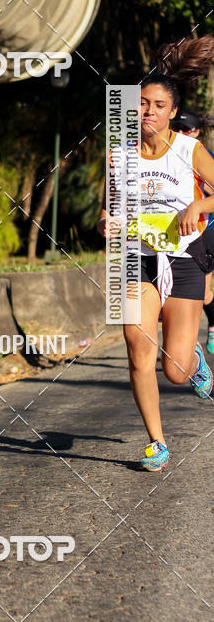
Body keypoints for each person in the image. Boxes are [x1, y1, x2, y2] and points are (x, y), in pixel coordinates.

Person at [98, 37, 214, 472]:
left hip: (183, 259)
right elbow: (109, 208)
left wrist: (197, 206)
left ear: (171, 112)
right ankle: (156, 441)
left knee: (175, 372)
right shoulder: (118, 154)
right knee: (136, 347)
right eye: (142, 103)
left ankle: (195, 359)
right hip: (133, 257)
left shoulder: (189, 150)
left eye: (158, 105)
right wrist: (106, 223)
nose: (148, 112)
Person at [170, 108, 214, 353]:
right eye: (177, 128)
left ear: (196, 132)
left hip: (206, 232)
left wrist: (197, 201)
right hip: (172, 237)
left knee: (203, 293)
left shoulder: (200, 155)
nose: (181, 133)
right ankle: (185, 345)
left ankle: (191, 344)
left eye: (187, 129)